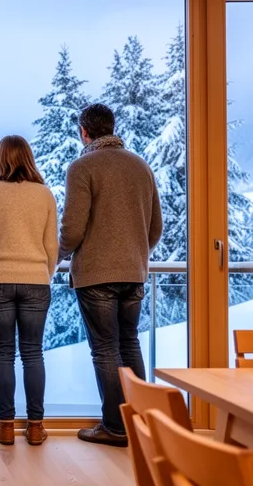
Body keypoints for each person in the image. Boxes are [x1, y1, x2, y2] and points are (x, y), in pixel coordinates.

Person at [59, 103, 163, 448]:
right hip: (134, 272)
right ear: (111, 128)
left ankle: (115, 427)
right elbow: (155, 228)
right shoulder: (140, 166)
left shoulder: (82, 167)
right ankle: (139, 424)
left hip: (96, 274)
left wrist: (56, 254)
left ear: (84, 132)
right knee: (129, 343)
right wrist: (135, 255)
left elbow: (72, 229)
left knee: (105, 348)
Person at [0, 135, 59, 446]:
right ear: (28, 158)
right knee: (33, 353)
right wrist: (44, 273)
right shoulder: (44, 194)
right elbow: (51, 248)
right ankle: (35, 427)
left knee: (4, 352)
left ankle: (5, 427)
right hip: (36, 281)